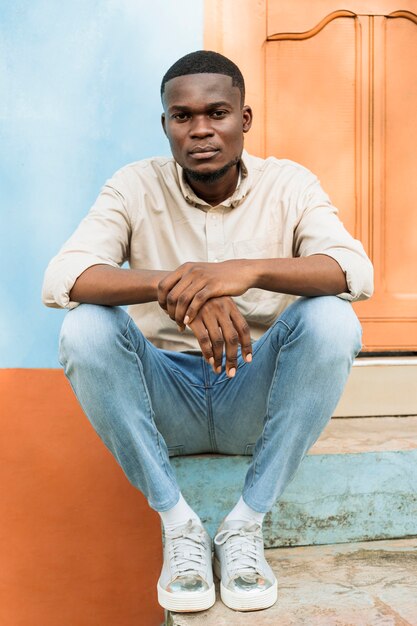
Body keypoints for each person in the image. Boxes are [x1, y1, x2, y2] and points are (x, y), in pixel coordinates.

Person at [42, 50, 373, 613]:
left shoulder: (289, 184)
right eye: (182, 116)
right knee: (85, 328)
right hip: (163, 396)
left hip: (252, 395)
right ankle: (180, 524)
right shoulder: (134, 186)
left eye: (217, 113)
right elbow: (62, 277)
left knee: (332, 316)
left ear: (244, 119)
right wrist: (182, 291)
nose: (200, 130)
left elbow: (355, 271)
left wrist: (242, 273)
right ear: (167, 124)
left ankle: (245, 523)